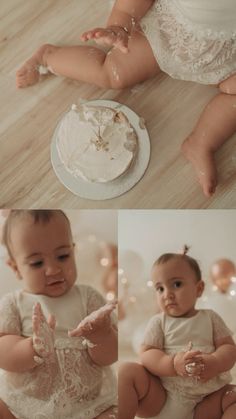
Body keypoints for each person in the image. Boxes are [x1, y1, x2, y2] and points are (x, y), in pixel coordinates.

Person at [15, 0, 236, 197]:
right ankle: (48, 58)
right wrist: (119, 26)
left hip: (225, 51)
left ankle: (201, 143)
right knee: (113, 74)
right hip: (169, 31)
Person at [0, 210, 118, 419]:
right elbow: (3, 353)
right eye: (37, 263)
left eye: (63, 256)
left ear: (74, 251)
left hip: (89, 405)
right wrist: (32, 347)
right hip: (27, 406)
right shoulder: (14, 304)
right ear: (15, 267)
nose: (53, 269)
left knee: (117, 410)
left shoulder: (88, 298)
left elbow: (109, 357)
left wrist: (102, 336)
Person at [118, 246, 236, 419]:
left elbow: (229, 347)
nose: (167, 294)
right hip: (162, 397)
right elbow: (147, 353)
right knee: (127, 371)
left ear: (199, 289)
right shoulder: (159, 321)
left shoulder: (211, 318)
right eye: (160, 288)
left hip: (207, 400)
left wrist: (215, 362)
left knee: (233, 396)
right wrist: (171, 364)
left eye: (176, 284)